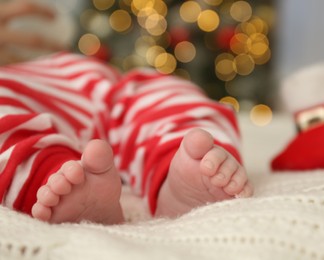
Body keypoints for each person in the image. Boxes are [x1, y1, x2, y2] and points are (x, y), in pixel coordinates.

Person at [0, 2, 253, 224]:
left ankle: (179, 169)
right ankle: (52, 179)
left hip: (74, 79)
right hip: (21, 101)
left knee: (167, 94)